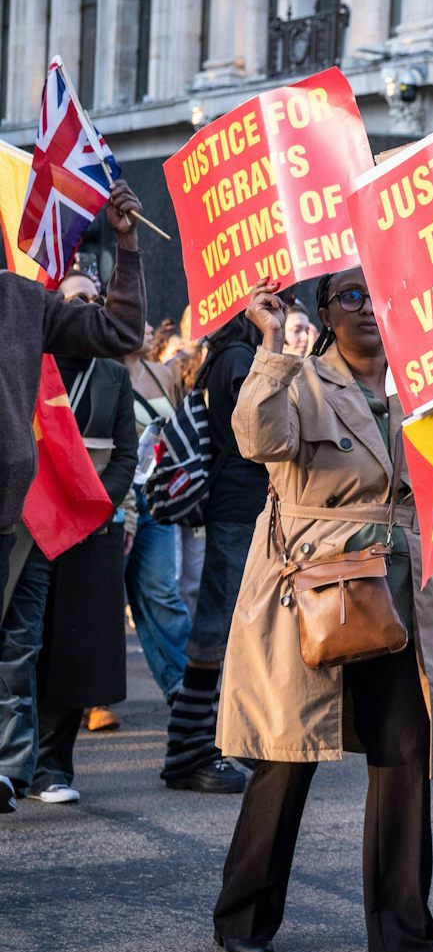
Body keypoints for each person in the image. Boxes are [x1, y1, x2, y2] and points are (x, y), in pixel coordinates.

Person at [210, 273, 433, 952]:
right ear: (323, 312)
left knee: (405, 759)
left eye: (378, 291)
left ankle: (404, 940)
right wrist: (270, 342)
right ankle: (244, 917)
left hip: (397, 596)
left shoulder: (428, 397)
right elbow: (256, 440)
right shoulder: (298, 376)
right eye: (350, 295)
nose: (367, 307)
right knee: (287, 755)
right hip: (310, 591)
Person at [0, 182, 147, 814]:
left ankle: (10, 771)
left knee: (16, 644)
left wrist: (127, 243)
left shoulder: (22, 300)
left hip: (14, 516)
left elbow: (120, 331)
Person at [13, 324, 138, 804]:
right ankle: (13, 765)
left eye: (94, 301)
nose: (85, 310)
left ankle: (52, 768)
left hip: (88, 529)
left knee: (72, 649)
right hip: (30, 525)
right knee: (23, 644)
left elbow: (126, 453)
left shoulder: (111, 374)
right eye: (74, 299)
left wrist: (96, 507)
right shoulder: (27, 364)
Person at [162, 302, 272, 794]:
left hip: (232, 505)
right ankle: (189, 753)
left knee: (227, 626)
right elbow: (262, 427)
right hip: (238, 507)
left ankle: (211, 744)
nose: (281, 308)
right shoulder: (238, 360)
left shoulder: (223, 356)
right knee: (216, 628)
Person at [122, 320, 192, 711]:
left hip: (157, 497)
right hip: (116, 498)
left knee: (162, 592)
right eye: (135, 315)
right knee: (104, 601)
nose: (145, 326)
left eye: (146, 317)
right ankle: (88, 698)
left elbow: (179, 430)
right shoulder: (102, 371)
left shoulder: (163, 374)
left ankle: (185, 688)